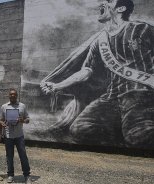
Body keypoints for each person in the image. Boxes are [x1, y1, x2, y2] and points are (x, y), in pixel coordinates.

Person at [41, 0, 154, 148]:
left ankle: (131, 130)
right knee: (80, 129)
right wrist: (57, 86)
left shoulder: (141, 29)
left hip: (141, 93)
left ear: (121, 8)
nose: (103, 2)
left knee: (139, 137)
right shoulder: (100, 41)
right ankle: (124, 131)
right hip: (112, 97)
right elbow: (86, 71)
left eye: (109, 1)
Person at [0, 89, 32, 183]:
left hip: (19, 135)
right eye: (11, 94)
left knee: (23, 155)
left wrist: (23, 120)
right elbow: (0, 120)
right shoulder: (4, 107)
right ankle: (10, 175)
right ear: (8, 95)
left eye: (14, 94)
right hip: (8, 135)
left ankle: (27, 175)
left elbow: (28, 119)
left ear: (17, 95)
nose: (12, 96)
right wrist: (3, 124)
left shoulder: (22, 106)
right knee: (9, 156)